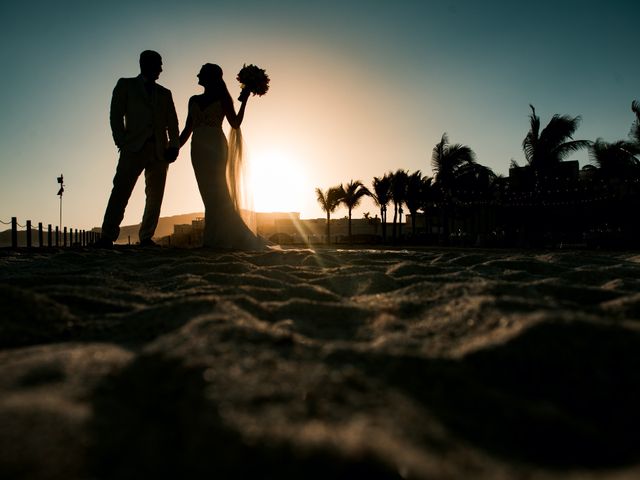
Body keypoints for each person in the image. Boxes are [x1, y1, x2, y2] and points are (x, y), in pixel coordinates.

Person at [96, 50, 179, 247]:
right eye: (158, 64)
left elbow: (173, 122)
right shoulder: (125, 85)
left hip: (160, 151)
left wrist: (174, 146)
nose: (161, 68)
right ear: (145, 64)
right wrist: (121, 142)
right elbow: (115, 115)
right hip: (133, 147)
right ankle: (107, 236)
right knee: (121, 191)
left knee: (155, 196)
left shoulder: (165, 93)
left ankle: (146, 237)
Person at [179, 63, 266, 249]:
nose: (197, 75)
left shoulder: (223, 99)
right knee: (207, 194)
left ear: (210, 77)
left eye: (201, 73)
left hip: (216, 147)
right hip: (198, 149)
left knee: (218, 192)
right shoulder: (192, 100)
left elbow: (235, 123)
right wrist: (174, 147)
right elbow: (187, 129)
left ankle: (220, 237)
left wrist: (245, 101)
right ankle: (215, 237)